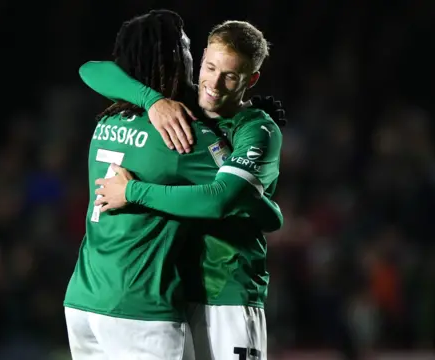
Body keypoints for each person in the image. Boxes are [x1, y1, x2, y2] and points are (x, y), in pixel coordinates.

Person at [63, 10, 282, 360]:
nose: (212, 82)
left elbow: (91, 70)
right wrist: (154, 101)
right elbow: (251, 209)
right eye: (209, 67)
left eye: (230, 76)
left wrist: (133, 191)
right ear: (194, 59)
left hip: (223, 287)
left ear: (250, 80)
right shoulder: (183, 127)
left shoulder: (257, 128)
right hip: (156, 293)